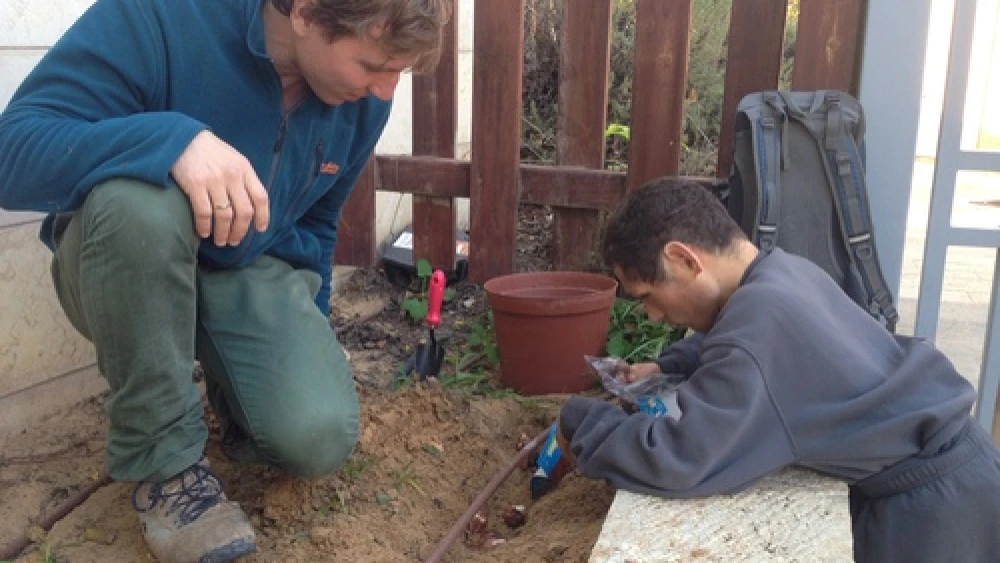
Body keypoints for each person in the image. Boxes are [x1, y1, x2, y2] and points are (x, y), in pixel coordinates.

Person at [0, 0, 448, 561]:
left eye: (397, 72)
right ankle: (165, 468)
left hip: (242, 268)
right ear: (306, 13)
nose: (385, 90)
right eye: (372, 66)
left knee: (317, 435)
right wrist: (173, 142)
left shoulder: (362, 100)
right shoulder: (159, 17)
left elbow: (317, 222)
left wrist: (312, 330)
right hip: (123, 260)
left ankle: (233, 404)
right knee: (141, 205)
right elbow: (11, 150)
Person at [556, 178, 1000, 562]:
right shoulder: (782, 272)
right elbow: (751, 344)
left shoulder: (755, 328)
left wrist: (584, 423)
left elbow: (679, 458)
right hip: (966, 473)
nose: (652, 315)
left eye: (648, 296)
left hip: (934, 517)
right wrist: (668, 365)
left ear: (684, 260)